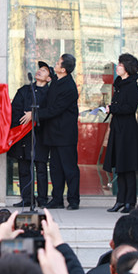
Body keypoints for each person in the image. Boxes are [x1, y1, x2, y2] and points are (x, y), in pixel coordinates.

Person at [30, 54, 80, 210]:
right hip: (53, 133)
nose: (55, 64)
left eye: (58, 63)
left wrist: (35, 114)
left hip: (65, 135)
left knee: (69, 169)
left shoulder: (69, 87)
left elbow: (55, 109)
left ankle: (73, 200)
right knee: (56, 169)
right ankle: (57, 199)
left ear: (63, 69)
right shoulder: (56, 82)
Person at [7, 61, 52, 208]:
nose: (40, 71)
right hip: (23, 136)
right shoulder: (25, 90)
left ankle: (43, 200)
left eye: (44, 70)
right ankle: (27, 198)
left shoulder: (50, 93)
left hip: (40, 136)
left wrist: (34, 115)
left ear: (49, 78)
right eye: (40, 69)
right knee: (24, 168)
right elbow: (14, 109)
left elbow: (52, 112)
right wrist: (22, 121)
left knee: (40, 168)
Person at [104, 53, 138, 213]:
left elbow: (130, 108)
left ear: (127, 67)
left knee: (128, 167)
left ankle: (130, 202)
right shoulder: (119, 84)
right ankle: (120, 199)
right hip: (118, 128)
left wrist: (112, 109)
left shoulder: (132, 85)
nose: (117, 67)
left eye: (120, 64)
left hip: (127, 130)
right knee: (120, 166)